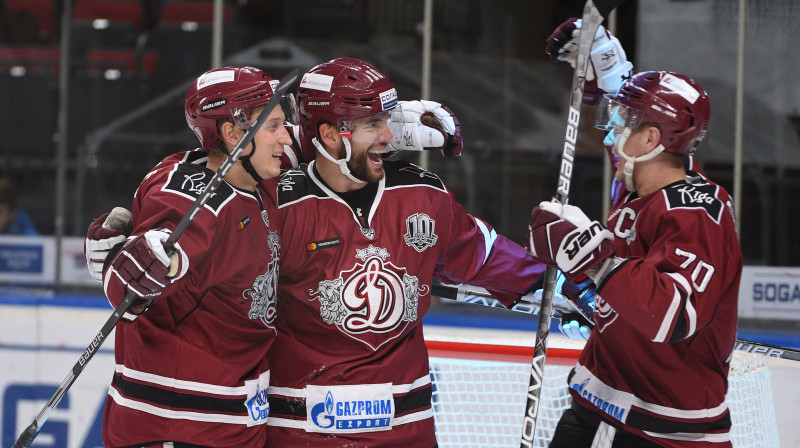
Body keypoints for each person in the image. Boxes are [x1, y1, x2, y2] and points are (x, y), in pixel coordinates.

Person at [263, 57, 546, 447]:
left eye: (388, 120)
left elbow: (490, 258)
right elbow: (213, 172)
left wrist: (573, 286)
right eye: (373, 124)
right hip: (302, 433)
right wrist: (294, 141)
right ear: (329, 134)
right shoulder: (276, 204)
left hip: (408, 433)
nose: (389, 135)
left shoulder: (422, 195)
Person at [528, 21, 742, 448]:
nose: (609, 130)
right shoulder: (638, 184)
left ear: (651, 139)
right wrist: (604, 68)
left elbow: (671, 316)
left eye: (622, 121)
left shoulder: (700, 215)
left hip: (665, 430)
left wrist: (594, 260)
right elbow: (629, 138)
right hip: (596, 404)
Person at [90, 65, 291, 447]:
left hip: (231, 422)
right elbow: (128, 288)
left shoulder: (254, 175)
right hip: (175, 426)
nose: (286, 136)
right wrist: (140, 263)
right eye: (274, 126)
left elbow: (319, 138)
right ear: (233, 133)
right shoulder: (191, 201)